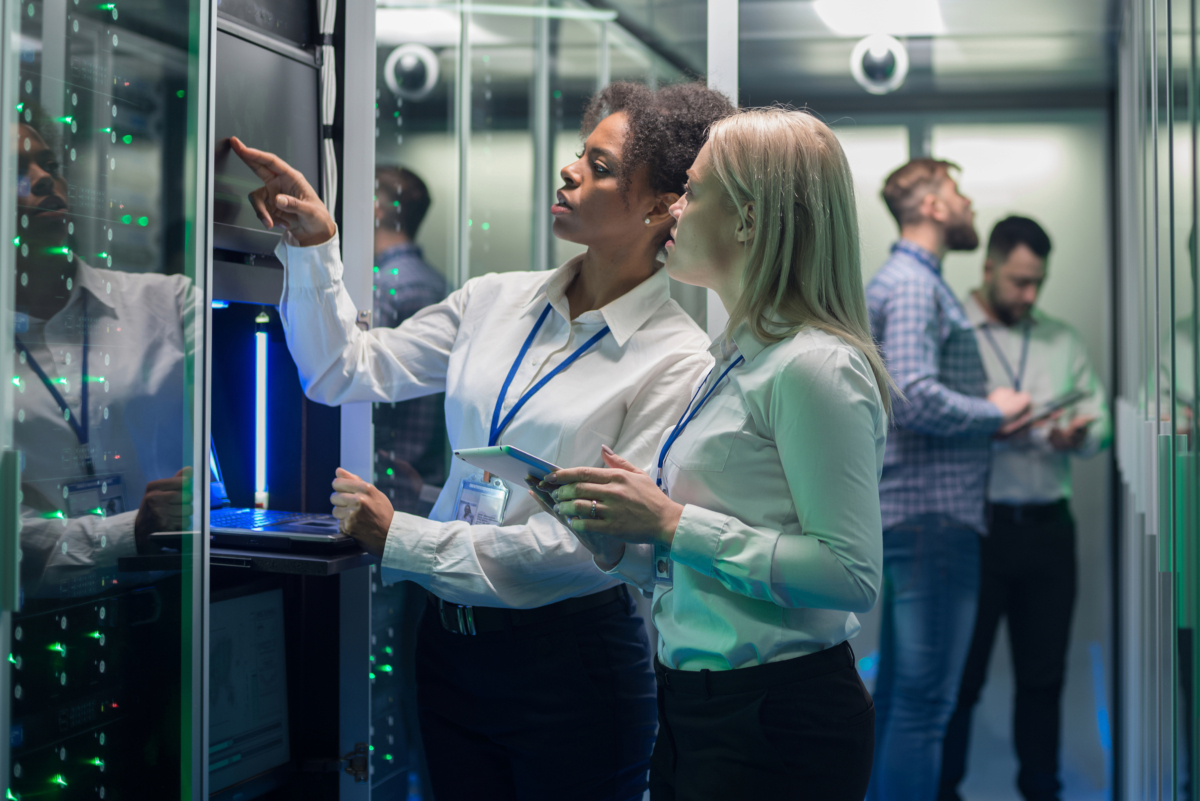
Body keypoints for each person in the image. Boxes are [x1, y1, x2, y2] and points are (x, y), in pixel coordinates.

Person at [231, 80, 733, 800]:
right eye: (577, 155)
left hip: (570, 664)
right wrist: (315, 246)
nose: (569, 170)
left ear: (660, 206)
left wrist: (401, 538)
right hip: (445, 645)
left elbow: (586, 551)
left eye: (600, 166)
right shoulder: (494, 299)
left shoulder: (676, 359)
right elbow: (343, 369)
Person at [543, 107, 888, 799]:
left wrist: (672, 522)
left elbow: (851, 574)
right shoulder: (731, 358)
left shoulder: (813, 366)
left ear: (749, 221)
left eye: (694, 192)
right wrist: (624, 535)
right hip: (693, 705)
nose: (674, 207)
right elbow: (710, 563)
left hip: (777, 717)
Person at [864, 159, 1033, 800]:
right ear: (933, 206)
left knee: (906, 698)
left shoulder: (910, 281)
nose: (970, 206)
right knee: (925, 708)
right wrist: (997, 411)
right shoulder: (913, 285)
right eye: (960, 194)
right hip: (934, 522)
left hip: (919, 520)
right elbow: (914, 396)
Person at [935, 215, 1110, 800]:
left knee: (1045, 678)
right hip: (975, 530)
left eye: (1038, 282)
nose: (1030, 295)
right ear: (988, 268)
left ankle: (1042, 790)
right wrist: (985, 424)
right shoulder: (952, 330)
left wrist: (1079, 435)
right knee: (961, 678)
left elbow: (1102, 422)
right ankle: (946, 790)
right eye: (1018, 282)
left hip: (1046, 531)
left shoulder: (1061, 339)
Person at [12, 111, 194, 597]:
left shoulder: (169, 303)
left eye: (48, 163)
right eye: (17, 172)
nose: (45, 179)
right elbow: (15, 543)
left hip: (185, 613)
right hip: (36, 633)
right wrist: (131, 530)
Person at [371, 166, 448, 513]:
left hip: (385, 486)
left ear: (375, 208)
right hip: (426, 483)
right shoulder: (437, 282)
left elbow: (364, 382)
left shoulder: (384, 284)